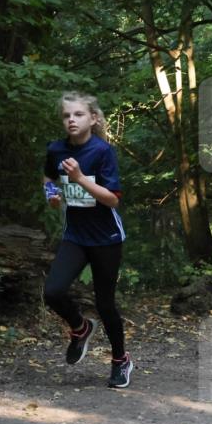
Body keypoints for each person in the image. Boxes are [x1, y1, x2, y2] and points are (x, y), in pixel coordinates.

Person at [42, 91, 133, 388]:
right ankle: (80, 328)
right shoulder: (55, 150)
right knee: (53, 292)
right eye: (67, 115)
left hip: (106, 238)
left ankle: (121, 360)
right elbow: (48, 178)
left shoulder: (102, 152)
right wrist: (51, 195)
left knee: (105, 304)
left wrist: (80, 178)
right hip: (76, 236)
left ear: (93, 119)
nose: (71, 120)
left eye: (78, 114)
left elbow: (113, 200)